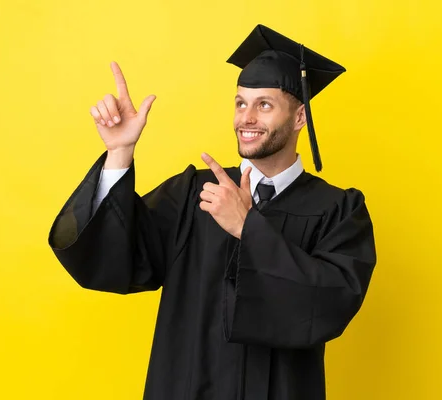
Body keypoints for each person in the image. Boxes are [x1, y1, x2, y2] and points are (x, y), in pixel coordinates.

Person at [48, 24, 377, 400]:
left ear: (300, 117)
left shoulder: (338, 210)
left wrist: (248, 229)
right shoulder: (194, 193)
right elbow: (115, 259)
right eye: (240, 103)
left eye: (264, 104)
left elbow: (329, 305)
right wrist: (119, 153)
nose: (247, 118)